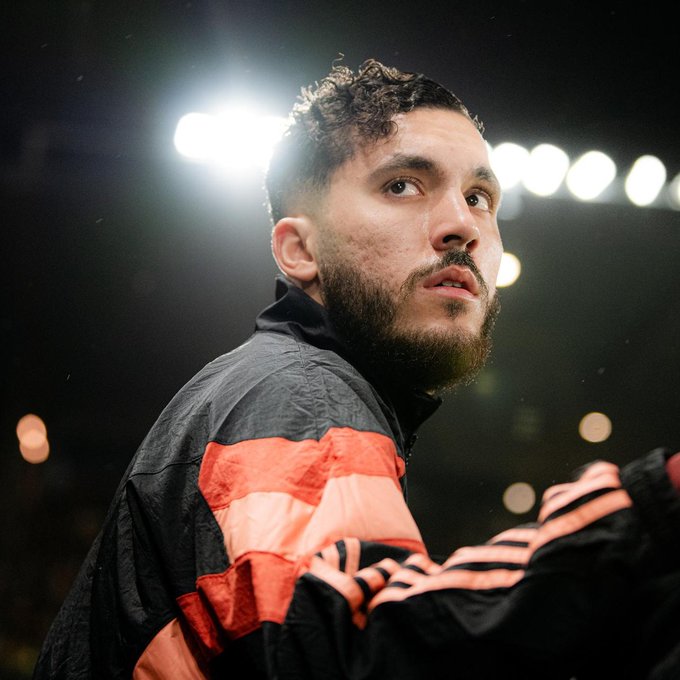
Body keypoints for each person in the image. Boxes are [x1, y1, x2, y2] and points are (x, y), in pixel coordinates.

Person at [34, 59, 680, 680]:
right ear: (300, 249)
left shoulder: (284, 388)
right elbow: (354, 654)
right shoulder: (297, 392)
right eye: (403, 185)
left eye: (480, 196)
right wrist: (650, 512)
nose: (463, 225)